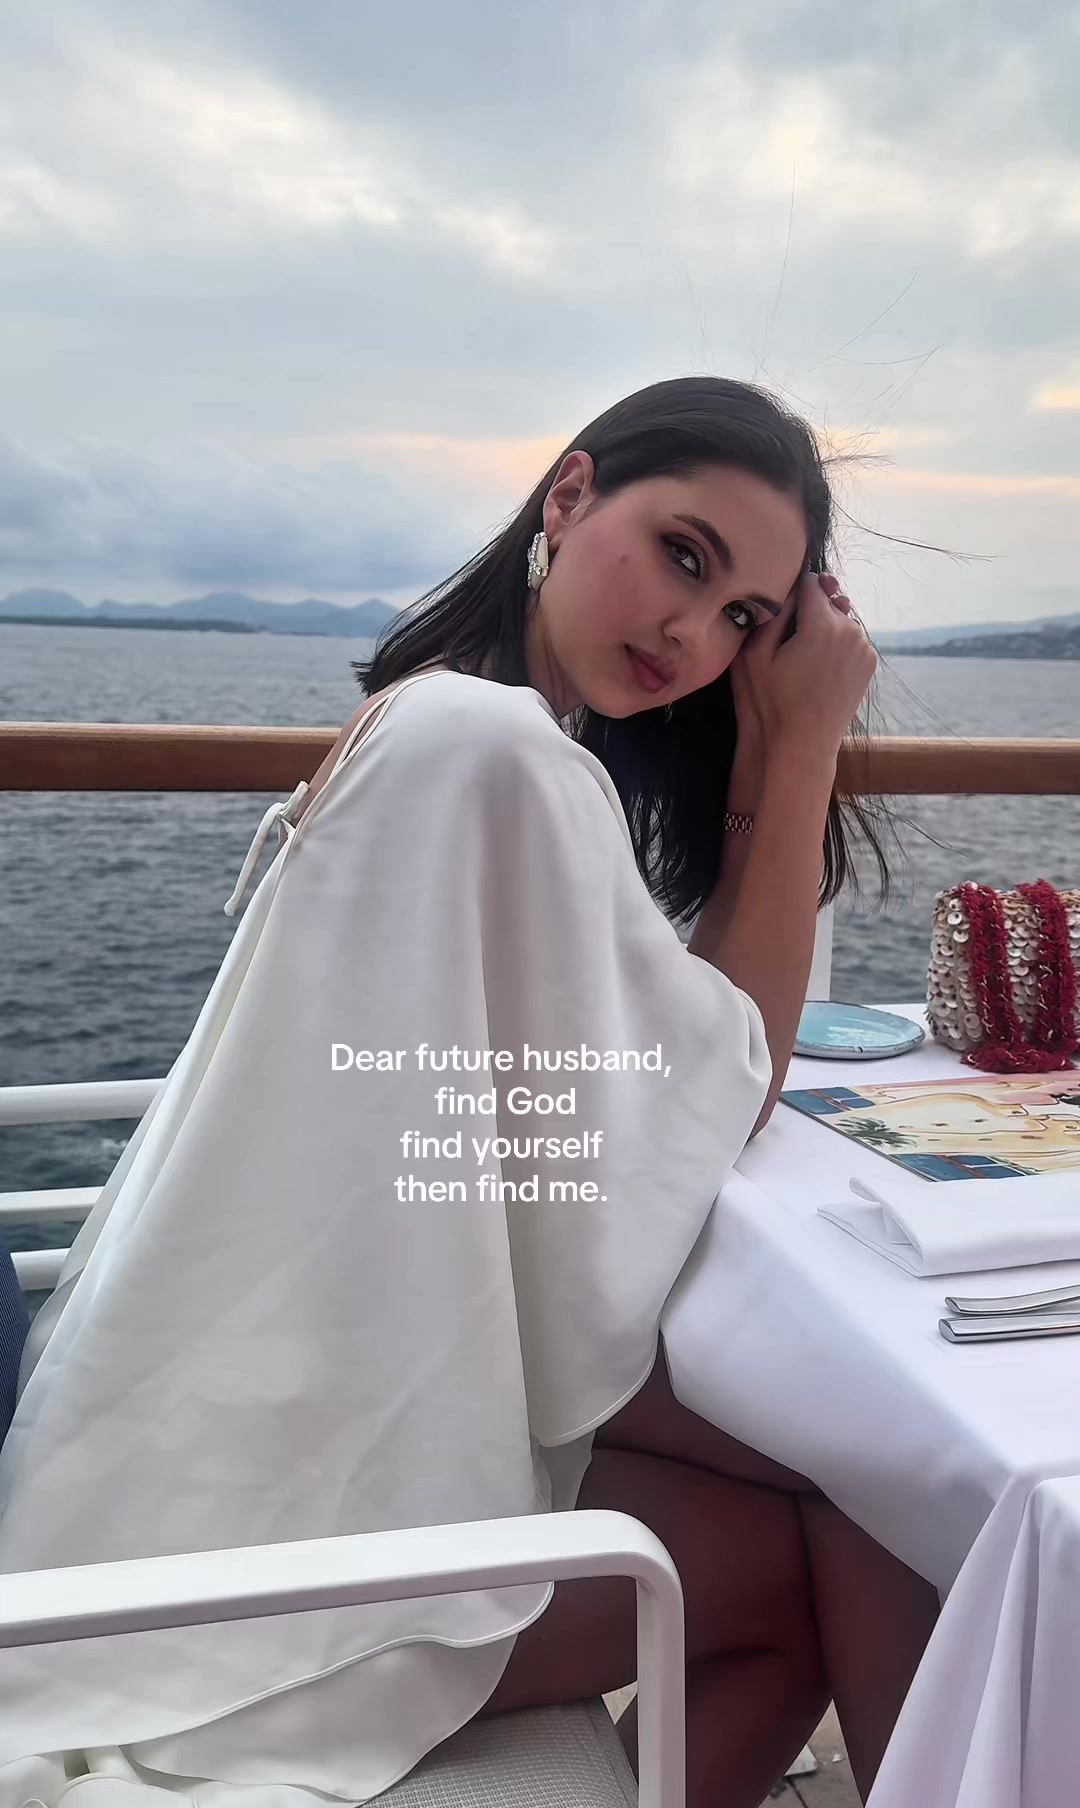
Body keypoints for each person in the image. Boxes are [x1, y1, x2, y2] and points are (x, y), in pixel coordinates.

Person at [0, 377, 937, 1808]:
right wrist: (799, 741)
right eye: (684, 556)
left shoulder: (432, 725)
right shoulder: (494, 752)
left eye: (747, 618)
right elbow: (724, 1082)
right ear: (569, 496)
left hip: (196, 1453)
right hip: (278, 1521)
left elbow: (649, 1097)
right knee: (868, 1498)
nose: (695, 634)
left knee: (828, 1497)